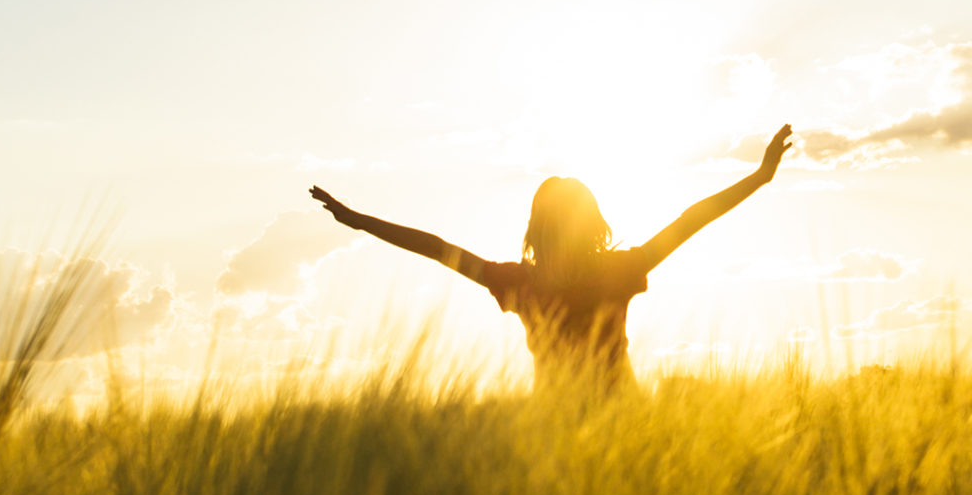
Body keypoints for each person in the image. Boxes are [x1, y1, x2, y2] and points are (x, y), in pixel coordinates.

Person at [310, 124, 792, 391]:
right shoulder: (617, 271)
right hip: (623, 424)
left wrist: (361, 222)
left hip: (551, 434)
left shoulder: (521, 283)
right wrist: (760, 176)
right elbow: (691, 219)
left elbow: (438, 248)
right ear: (592, 223)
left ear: (536, 230)